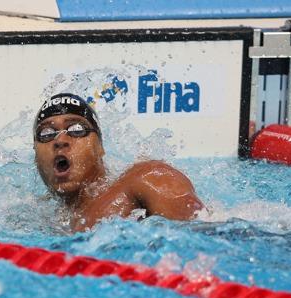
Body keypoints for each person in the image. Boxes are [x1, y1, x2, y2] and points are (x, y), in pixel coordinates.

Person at [33, 93, 204, 232]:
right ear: (35, 156)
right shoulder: (40, 218)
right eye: (47, 133)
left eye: (77, 130)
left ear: (100, 147)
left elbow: (204, 237)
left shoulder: (146, 178)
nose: (60, 140)